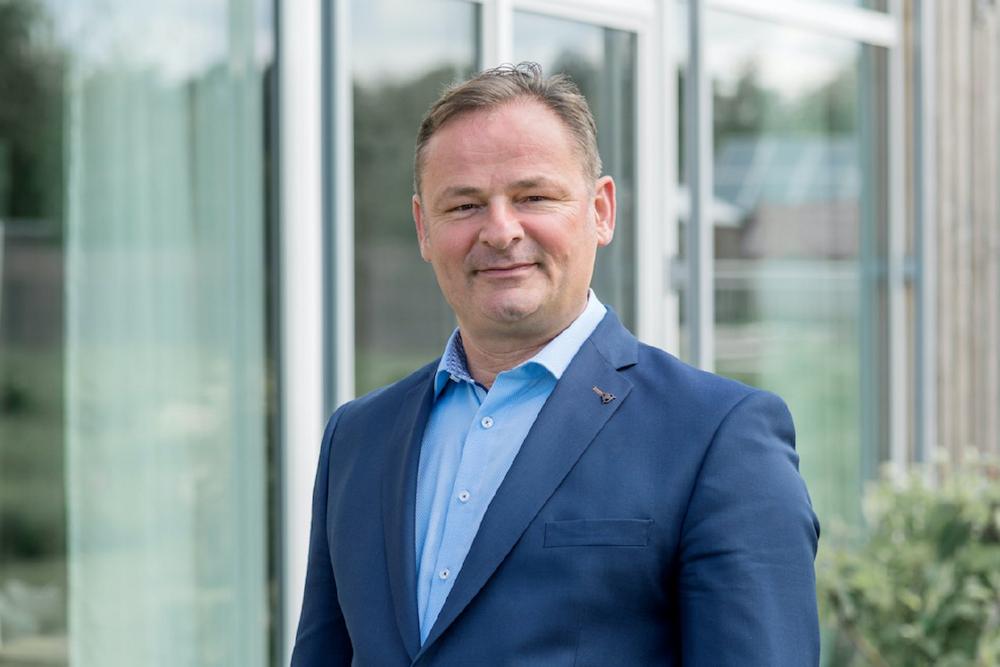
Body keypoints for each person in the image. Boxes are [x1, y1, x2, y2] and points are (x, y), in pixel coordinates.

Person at [291, 62, 820, 666]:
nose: (500, 231)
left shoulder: (717, 437)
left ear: (601, 210)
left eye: (533, 197)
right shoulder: (358, 438)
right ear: (423, 228)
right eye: (464, 205)